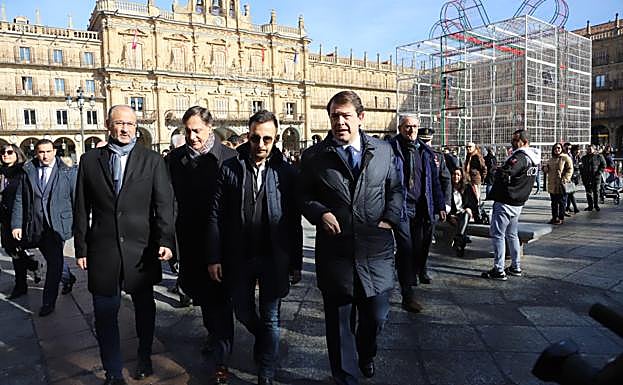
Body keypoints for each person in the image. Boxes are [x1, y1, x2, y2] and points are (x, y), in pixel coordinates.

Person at [300, 91, 402, 385]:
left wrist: (389, 219)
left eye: (346, 116)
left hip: (376, 249)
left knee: (376, 316)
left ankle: (366, 352)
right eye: (334, 116)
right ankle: (345, 376)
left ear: (360, 117)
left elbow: (395, 189)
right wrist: (319, 213)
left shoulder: (383, 151)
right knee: (340, 323)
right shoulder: (314, 156)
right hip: (336, 252)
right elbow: (302, 195)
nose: (340, 122)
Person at [73, 105, 175, 385]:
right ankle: (113, 371)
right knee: (105, 315)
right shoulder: (90, 160)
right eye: (119, 123)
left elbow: (164, 204)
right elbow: (81, 207)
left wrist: (166, 240)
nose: (124, 129)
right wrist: (81, 247)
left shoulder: (152, 160)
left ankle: (144, 355)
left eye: (129, 124)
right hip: (103, 251)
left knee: (144, 309)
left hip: (141, 250)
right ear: (108, 125)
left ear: (136, 126)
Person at [207, 110, 302, 385]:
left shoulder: (286, 172)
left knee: (271, 317)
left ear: (275, 140)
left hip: (274, 256)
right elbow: (215, 215)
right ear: (248, 136)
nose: (260, 145)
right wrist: (214, 256)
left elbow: (293, 220)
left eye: (267, 139)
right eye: (255, 138)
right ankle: (264, 339)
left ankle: (266, 372)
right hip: (239, 255)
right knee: (243, 312)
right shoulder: (230, 169)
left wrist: (295, 262)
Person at [166, 106, 237, 384]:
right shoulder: (175, 159)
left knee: (221, 300)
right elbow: (169, 202)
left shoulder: (230, 157)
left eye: (197, 130)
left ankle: (222, 357)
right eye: (188, 131)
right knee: (202, 297)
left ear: (210, 127)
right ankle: (213, 334)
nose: (192, 136)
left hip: (221, 242)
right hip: (190, 242)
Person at [11, 139, 77, 316]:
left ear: (54, 151)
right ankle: (68, 278)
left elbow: (76, 199)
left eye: (48, 151)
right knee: (54, 260)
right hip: (35, 225)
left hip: (57, 226)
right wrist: (17, 224)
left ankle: (48, 302)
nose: (45, 155)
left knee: (54, 263)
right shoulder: (28, 171)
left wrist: (79, 226)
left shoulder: (68, 172)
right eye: (41, 152)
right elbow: (20, 199)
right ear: (36, 153)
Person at [389, 115, 446, 313]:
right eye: (407, 126)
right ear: (400, 128)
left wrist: (440, 205)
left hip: (423, 207)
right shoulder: (390, 149)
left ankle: (416, 271)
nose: (411, 130)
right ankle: (408, 294)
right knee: (405, 247)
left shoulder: (426, 151)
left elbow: (434, 181)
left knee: (421, 246)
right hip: (402, 206)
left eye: (414, 126)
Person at [482, 129, 540, 280]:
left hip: (506, 201)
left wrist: (498, 170)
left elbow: (507, 173)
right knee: (512, 234)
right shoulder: (533, 158)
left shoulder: (520, 157)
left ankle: (498, 269)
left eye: (516, 140)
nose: (512, 143)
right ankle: (515, 266)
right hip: (518, 202)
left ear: (524, 142)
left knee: (498, 234)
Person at [1, 144, 40, 299]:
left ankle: (20, 286)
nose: (5, 154)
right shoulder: (1, 173)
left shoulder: (23, 171)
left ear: (17, 154)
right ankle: (33, 264)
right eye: (3, 152)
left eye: (10, 152)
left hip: (19, 218)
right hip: (4, 218)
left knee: (16, 252)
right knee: (11, 250)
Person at [543, 143, 573, 225]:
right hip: (552, 184)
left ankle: (561, 218)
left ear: (561, 149)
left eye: (559, 148)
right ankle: (554, 217)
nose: (557, 150)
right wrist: (545, 168)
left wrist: (565, 178)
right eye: (555, 148)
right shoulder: (551, 159)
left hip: (562, 184)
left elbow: (570, 169)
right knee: (554, 202)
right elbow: (547, 169)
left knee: (562, 202)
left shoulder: (565, 158)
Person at [448, 168, 478, 248]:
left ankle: (459, 238)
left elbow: (474, 202)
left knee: (465, 214)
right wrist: (450, 216)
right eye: (454, 174)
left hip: (465, 214)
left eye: (458, 175)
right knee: (461, 221)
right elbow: (445, 204)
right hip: (453, 215)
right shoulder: (448, 188)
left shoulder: (467, 187)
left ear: (462, 176)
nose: (456, 176)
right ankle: (461, 240)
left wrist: (469, 208)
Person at [580, 144, 606, 212]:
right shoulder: (584, 158)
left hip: (596, 177)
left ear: (594, 149)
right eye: (588, 149)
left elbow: (604, 165)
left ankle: (596, 205)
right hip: (587, 178)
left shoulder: (599, 156)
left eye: (590, 149)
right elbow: (581, 167)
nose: (588, 150)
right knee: (588, 192)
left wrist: (599, 172)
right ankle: (590, 206)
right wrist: (583, 175)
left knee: (596, 192)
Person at [566, 144, 581, 214]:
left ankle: (567, 207)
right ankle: (575, 208)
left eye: (579, 150)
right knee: (571, 192)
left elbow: (580, 165)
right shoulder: (570, 156)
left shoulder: (578, 157)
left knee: (570, 193)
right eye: (576, 150)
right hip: (570, 177)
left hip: (576, 177)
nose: (578, 151)